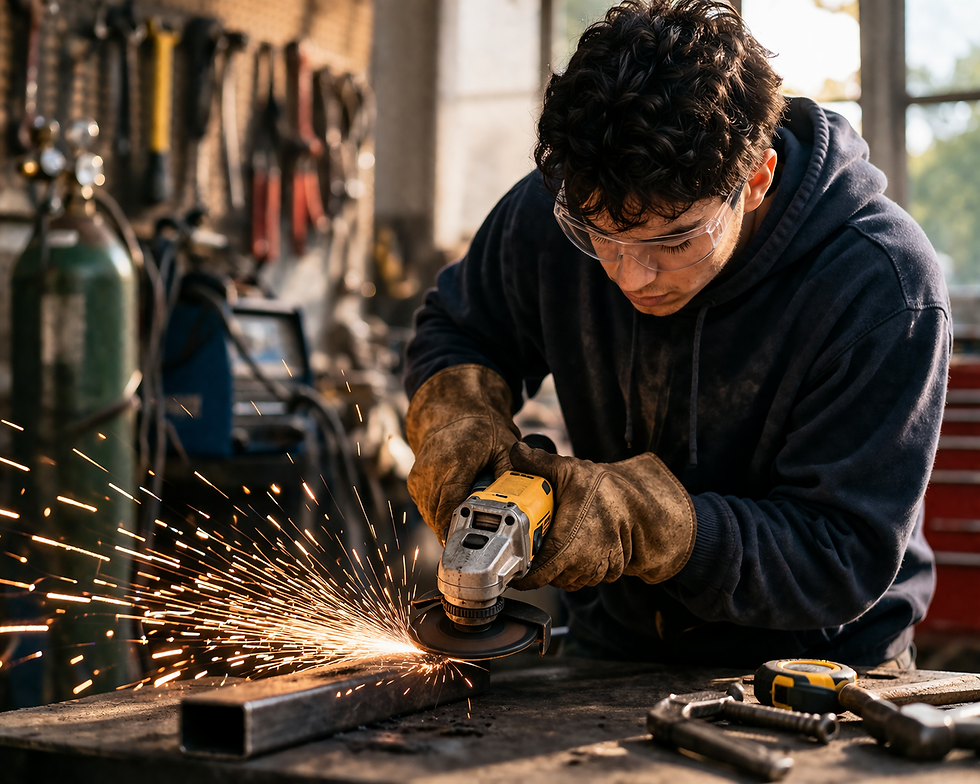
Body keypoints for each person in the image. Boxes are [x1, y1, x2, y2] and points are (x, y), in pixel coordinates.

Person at [402, 0, 950, 668]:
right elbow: (460, 329)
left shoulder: (881, 285)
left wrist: (657, 528)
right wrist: (456, 419)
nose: (631, 275)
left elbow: (840, 555)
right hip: (614, 649)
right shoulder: (555, 209)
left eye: (674, 239)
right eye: (600, 237)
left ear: (755, 180)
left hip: (813, 666)